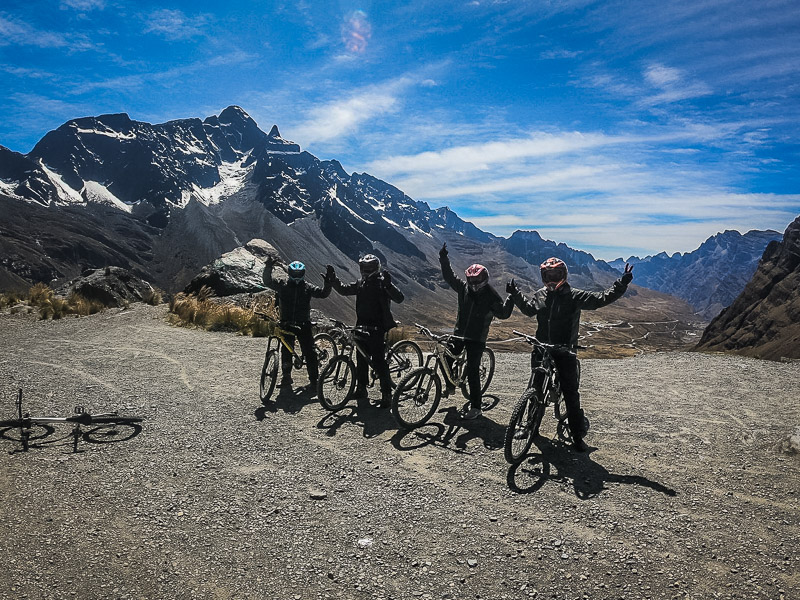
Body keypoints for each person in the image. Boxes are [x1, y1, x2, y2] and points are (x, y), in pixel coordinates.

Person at [507, 257, 634, 452]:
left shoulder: (574, 295)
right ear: (543, 276)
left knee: (570, 394)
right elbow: (529, 310)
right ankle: (530, 427)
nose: (551, 279)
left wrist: (621, 283)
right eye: (548, 275)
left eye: (556, 275)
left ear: (563, 276)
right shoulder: (540, 295)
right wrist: (515, 294)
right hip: (542, 347)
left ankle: (576, 435)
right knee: (534, 388)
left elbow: (601, 299)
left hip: (565, 350)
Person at [439, 243, 514, 420]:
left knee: (472, 370)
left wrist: (512, 297)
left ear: (484, 279)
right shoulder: (463, 288)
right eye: (471, 281)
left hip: (477, 338)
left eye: (476, 281)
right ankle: (450, 385)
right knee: (446, 357)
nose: (473, 284)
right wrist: (443, 258)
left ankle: (476, 406)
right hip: (459, 333)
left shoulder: (491, 294)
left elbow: (503, 313)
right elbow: (449, 276)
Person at [327, 254, 404, 408]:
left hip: (377, 328)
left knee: (379, 361)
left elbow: (399, 298)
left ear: (376, 269)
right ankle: (361, 389)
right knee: (361, 359)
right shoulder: (360, 283)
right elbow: (344, 290)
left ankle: (386, 394)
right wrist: (333, 281)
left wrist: (389, 286)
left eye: (369, 269)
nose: (365, 272)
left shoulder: (383, 283)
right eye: (363, 269)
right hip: (360, 325)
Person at [262, 257, 332, 389]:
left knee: (310, 352)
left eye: (299, 274)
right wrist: (268, 268)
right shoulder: (283, 285)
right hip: (286, 323)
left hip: (303, 324)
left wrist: (328, 283)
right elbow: (268, 282)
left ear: (303, 274)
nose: (297, 276)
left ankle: (313, 381)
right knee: (286, 351)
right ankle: (286, 377)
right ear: (290, 273)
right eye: (294, 274)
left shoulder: (305, 287)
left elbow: (323, 293)